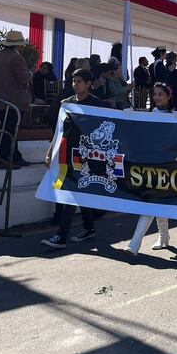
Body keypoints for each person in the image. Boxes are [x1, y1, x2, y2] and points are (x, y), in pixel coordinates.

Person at [40, 69, 107, 249]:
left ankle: (62, 235)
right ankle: (89, 227)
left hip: (86, 156)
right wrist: (49, 152)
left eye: (79, 81)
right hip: (66, 154)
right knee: (76, 191)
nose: (75, 84)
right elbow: (59, 131)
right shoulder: (66, 104)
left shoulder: (96, 104)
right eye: (74, 81)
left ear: (88, 83)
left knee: (71, 192)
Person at [125, 83, 174, 255]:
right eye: (155, 94)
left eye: (161, 94)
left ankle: (135, 243)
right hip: (151, 164)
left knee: (152, 202)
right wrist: (128, 116)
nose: (157, 97)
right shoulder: (151, 114)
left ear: (169, 96)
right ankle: (164, 236)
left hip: (168, 166)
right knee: (155, 201)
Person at [0, 30, 31, 170]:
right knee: (11, 131)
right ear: (18, 45)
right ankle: (1, 158)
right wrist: (29, 74)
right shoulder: (16, 58)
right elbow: (23, 79)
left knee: (9, 129)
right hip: (14, 100)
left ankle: (15, 156)